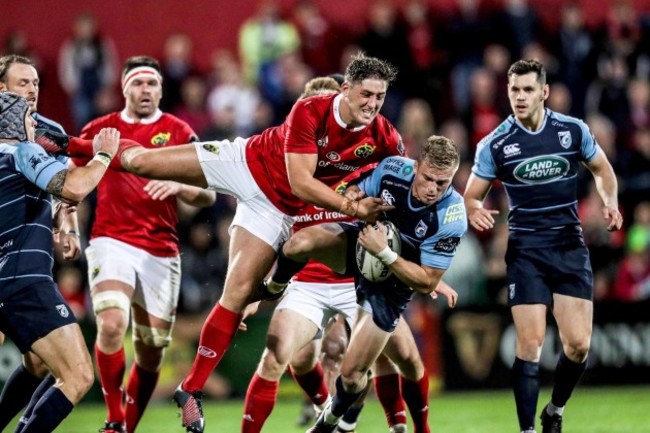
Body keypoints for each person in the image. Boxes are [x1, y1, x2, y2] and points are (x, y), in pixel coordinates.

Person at [109, 53, 403, 433]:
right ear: (344, 92)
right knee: (140, 163)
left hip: (292, 234)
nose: (372, 104)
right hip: (247, 165)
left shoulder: (378, 142)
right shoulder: (308, 115)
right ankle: (71, 149)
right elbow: (301, 184)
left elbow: (402, 184)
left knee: (247, 299)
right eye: (366, 95)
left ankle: (193, 389)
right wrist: (354, 206)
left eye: (380, 98)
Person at [258, 135, 464, 433]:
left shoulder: (451, 215)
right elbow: (355, 190)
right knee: (299, 243)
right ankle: (272, 288)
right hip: (361, 247)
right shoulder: (393, 169)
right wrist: (355, 196)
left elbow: (426, 281)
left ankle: (332, 425)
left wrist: (385, 252)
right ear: (415, 167)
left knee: (355, 374)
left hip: (393, 284)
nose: (432, 189)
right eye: (428, 178)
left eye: (442, 184)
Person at [463, 59, 623, 433]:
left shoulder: (572, 131)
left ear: (544, 92)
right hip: (526, 250)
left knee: (578, 346)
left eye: (528, 90)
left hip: (568, 244)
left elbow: (603, 170)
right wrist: (475, 210)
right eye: (514, 90)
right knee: (530, 343)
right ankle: (527, 430)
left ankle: (555, 410)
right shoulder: (495, 144)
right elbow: (471, 196)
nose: (520, 97)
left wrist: (610, 201)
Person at [74, 55, 216, 433]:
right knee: (110, 323)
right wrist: (68, 223)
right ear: (124, 88)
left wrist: (181, 186)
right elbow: (72, 177)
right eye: (138, 83)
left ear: (161, 89)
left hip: (161, 250)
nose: (145, 90)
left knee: (152, 351)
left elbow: (209, 195)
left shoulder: (179, 131)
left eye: (152, 83)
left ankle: (127, 426)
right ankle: (114, 419)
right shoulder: (102, 128)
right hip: (111, 240)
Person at [0, 91, 119, 432]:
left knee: (39, 366)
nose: (33, 124)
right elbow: (74, 187)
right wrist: (104, 154)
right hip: (24, 281)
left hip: (7, 285)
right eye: (27, 118)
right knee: (78, 375)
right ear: (15, 122)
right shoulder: (21, 150)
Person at [0, 54, 83, 431]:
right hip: (16, 268)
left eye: (35, 82)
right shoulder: (16, 143)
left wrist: (68, 228)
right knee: (74, 371)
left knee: (38, 361)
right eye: (23, 83)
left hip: (24, 257)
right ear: (2, 89)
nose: (32, 89)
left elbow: (68, 187)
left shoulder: (47, 131)